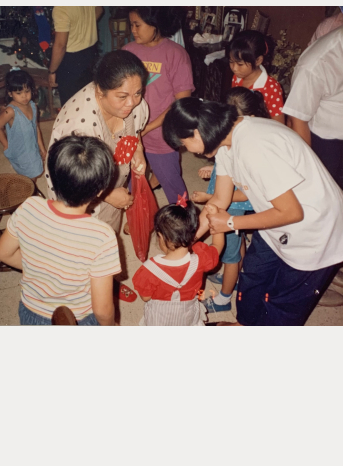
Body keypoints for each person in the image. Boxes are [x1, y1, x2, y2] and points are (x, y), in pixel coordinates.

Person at [162, 97, 343, 326]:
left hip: (314, 232)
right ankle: (244, 325)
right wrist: (186, 242)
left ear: (197, 133)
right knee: (252, 278)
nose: (186, 150)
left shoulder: (254, 146)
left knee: (282, 305)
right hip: (274, 223)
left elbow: (291, 213)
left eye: (183, 144)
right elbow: (220, 199)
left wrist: (231, 224)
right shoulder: (227, 141)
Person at [45, 50, 149, 302]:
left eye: (138, 93)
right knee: (80, 246)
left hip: (110, 185)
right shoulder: (78, 125)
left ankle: (107, 283)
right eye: (123, 96)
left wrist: (139, 151)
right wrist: (109, 195)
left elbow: (135, 134)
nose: (132, 103)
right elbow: (72, 181)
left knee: (106, 237)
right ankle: (84, 290)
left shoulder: (133, 104)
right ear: (99, 91)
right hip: (77, 192)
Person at [0, 135, 120, 325]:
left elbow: (1, 252)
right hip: (78, 319)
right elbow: (102, 310)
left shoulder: (29, 206)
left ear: (51, 177)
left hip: (31, 314)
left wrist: (40, 267)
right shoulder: (102, 236)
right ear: (100, 191)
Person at [191, 87, 270, 314]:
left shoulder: (251, 151)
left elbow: (245, 194)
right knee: (237, 248)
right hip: (228, 204)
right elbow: (226, 163)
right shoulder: (229, 144)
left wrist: (208, 197)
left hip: (231, 211)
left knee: (230, 255)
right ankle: (233, 275)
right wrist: (213, 167)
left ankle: (224, 299)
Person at [283, 26, 343, 305]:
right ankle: (311, 279)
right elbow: (298, 120)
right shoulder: (318, 61)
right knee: (321, 213)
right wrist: (308, 176)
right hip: (326, 142)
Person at [123, 7, 195, 204]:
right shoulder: (128, 51)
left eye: (137, 25)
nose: (133, 30)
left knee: (171, 182)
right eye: (132, 25)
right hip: (131, 130)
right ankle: (137, 214)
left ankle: (182, 221)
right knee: (132, 179)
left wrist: (148, 128)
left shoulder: (176, 54)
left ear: (155, 24)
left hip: (161, 134)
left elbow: (181, 103)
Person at [132, 198, 224, 326]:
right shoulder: (201, 258)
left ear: (161, 236)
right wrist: (215, 217)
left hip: (159, 318)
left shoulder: (149, 269)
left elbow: (146, 297)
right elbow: (218, 245)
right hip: (187, 314)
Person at [0, 68, 47, 180]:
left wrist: (42, 149)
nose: (24, 96)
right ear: (10, 93)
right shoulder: (10, 111)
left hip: (32, 147)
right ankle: (28, 191)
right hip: (20, 151)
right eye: (19, 93)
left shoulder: (33, 106)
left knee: (34, 172)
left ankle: (30, 189)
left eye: (27, 91)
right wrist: (6, 145)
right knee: (31, 174)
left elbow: (36, 127)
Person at [48, 6, 103, 106]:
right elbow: (99, 9)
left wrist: (52, 71)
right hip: (92, 54)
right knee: (89, 102)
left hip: (72, 61)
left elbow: (60, 45)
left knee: (71, 107)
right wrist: (86, 24)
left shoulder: (61, 8)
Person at [229, 30, 285, 123]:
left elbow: (278, 124)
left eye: (240, 64)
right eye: (231, 62)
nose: (234, 68)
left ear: (258, 60)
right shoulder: (236, 77)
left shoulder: (271, 87)